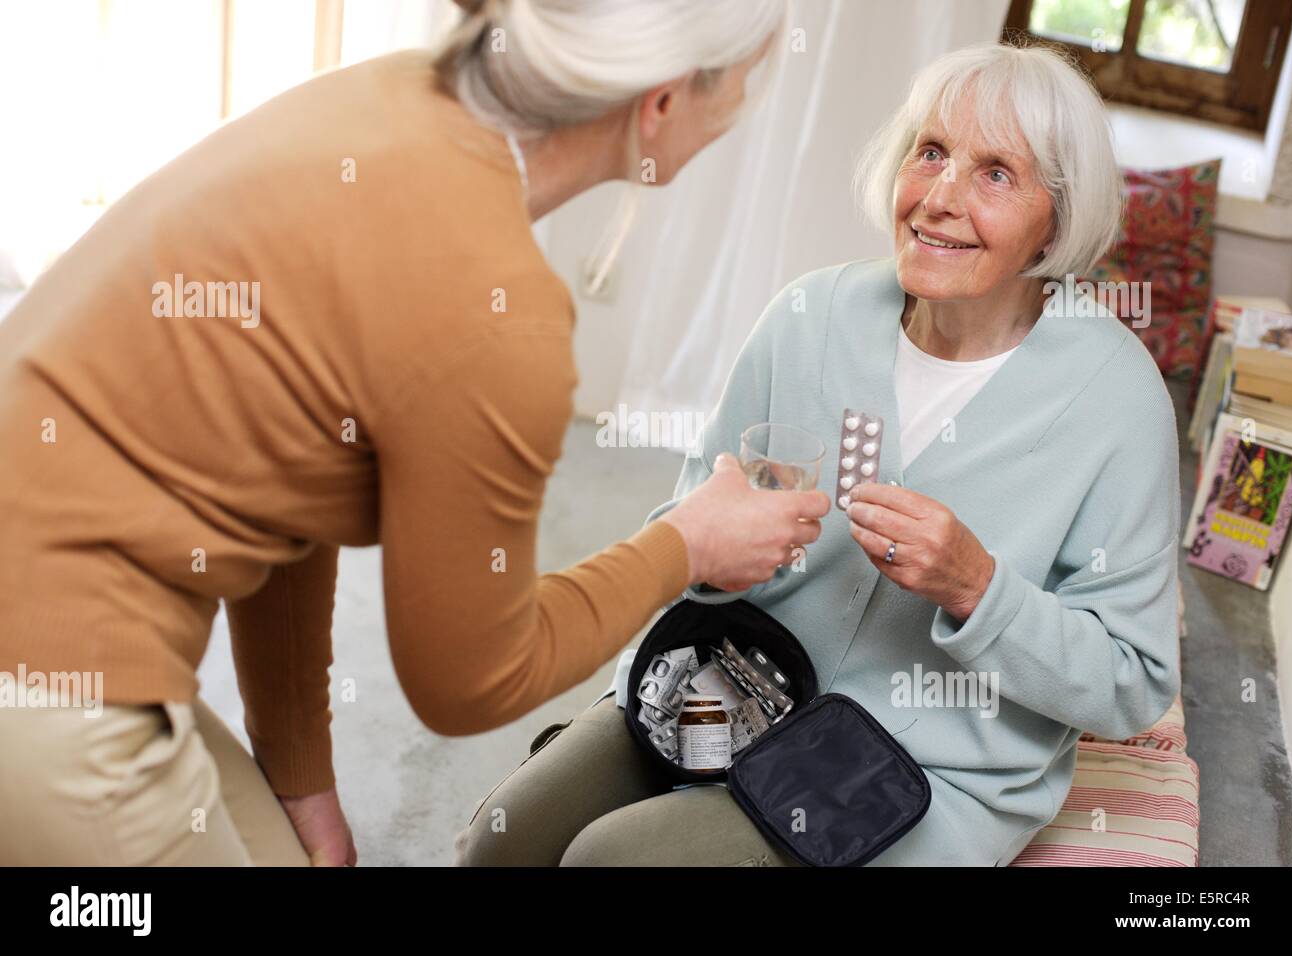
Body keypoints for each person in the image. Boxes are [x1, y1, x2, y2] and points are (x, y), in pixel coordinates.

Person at [0, 0, 830, 866]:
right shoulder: (498, 314)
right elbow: (471, 679)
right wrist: (683, 545)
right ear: (660, 104)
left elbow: (295, 467)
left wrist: (299, 775)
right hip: (49, 669)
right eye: (740, 84)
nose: (739, 110)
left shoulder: (390, 94)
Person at [455, 41, 1182, 867]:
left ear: (1059, 212)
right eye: (932, 152)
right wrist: (713, 556)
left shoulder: (1115, 400)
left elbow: (1131, 682)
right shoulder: (807, 316)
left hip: (917, 768)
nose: (940, 198)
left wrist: (979, 592)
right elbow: (688, 520)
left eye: (995, 174)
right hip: (731, 680)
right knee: (503, 839)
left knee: (611, 860)